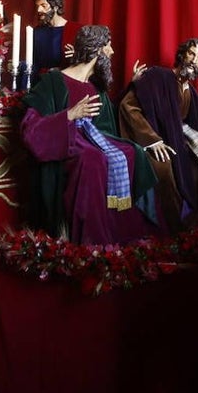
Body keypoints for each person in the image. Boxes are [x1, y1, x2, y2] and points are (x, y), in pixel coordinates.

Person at [18, 24, 157, 244]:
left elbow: (109, 120)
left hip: (93, 139)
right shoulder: (53, 81)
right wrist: (70, 115)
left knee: (133, 152)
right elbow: (31, 129)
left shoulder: (94, 88)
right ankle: (91, 240)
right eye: (108, 47)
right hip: (64, 142)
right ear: (97, 50)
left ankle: (121, 234)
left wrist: (132, 85)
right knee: (92, 159)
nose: (111, 52)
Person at [119, 37, 198, 233]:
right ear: (182, 55)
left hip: (178, 144)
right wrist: (152, 140)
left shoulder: (192, 94)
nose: (193, 59)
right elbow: (128, 107)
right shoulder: (157, 76)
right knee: (163, 166)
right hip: (153, 141)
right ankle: (172, 231)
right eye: (191, 53)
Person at [30, 0, 73, 85]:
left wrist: (77, 56)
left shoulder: (74, 30)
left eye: (43, 6)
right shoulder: (37, 32)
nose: (39, 10)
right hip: (41, 85)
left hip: (65, 85)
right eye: (38, 6)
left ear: (56, 6)